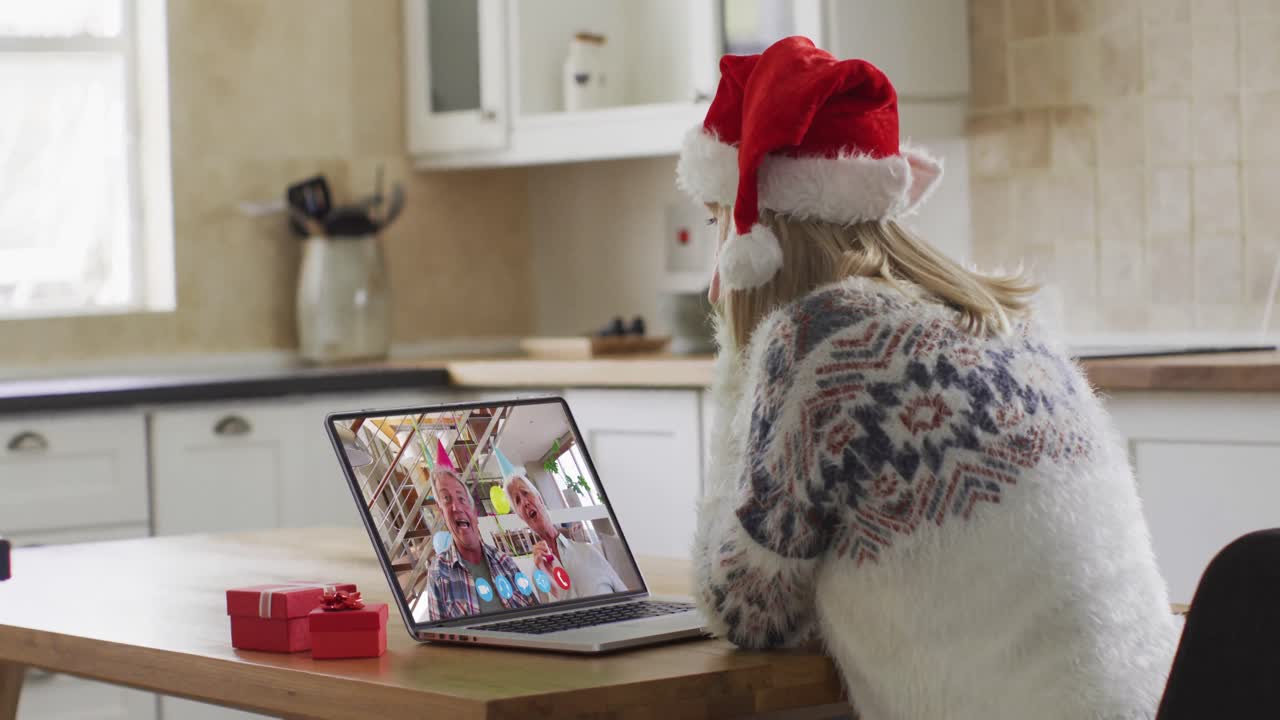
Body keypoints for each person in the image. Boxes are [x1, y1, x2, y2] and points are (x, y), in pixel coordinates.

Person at [679, 37, 1178, 719]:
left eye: (718, 224)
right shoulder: (1006, 321)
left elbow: (744, 611)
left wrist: (735, 374)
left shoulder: (817, 344)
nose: (715, 284)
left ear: (756, 240)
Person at [424, 466, 537, 621]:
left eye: (461, 499)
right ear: (442, 513)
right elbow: (440, 633)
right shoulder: (438, 573)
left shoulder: (504, 561)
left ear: (474, 512)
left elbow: (535, 612)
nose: (456, 507)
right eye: (446, 499)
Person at [503, 471, 629, 601]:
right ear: (520, 517)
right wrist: (545, 573)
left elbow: (626, 595)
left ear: (539, 498)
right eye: (517, 501)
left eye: (525, 493)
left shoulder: (588, 551)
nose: (525, 502)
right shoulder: (538, 574)